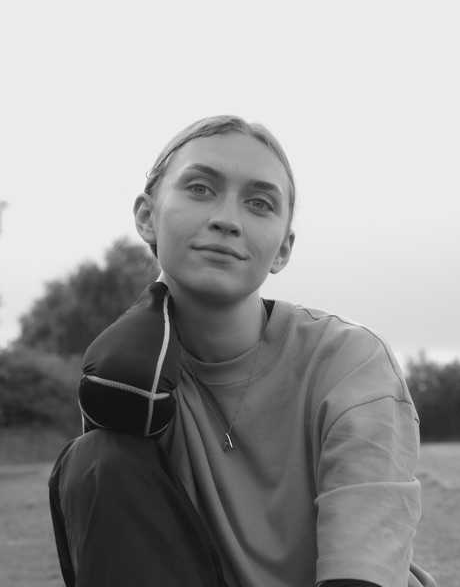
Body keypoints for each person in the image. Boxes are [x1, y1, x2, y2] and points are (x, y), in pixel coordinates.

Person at [48, 116, 436, 587]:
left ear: (283, 250)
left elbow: (362, 567)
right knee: (95, 459)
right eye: (199, 188)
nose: (226, 220)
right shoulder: (128, 382)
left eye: (259, 203)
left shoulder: (348, 362)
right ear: (147, 217)